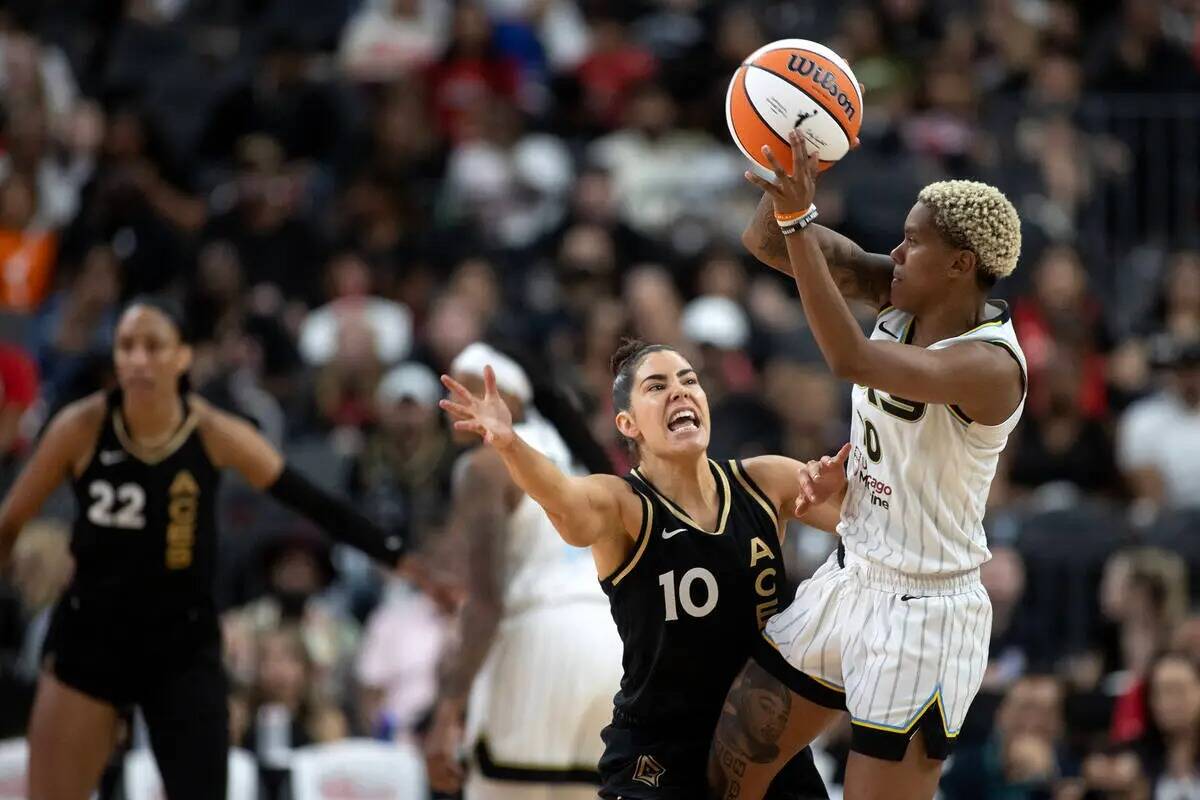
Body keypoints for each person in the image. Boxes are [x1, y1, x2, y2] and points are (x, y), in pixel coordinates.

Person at [710, 131, 1026, 800]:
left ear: (960, 265)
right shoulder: (900, 294)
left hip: (926, 611)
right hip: (850, 575)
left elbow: (850, 360)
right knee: (727, 768)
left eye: (913, 243)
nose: (896, 252)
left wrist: (801, 218)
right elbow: (768, 245)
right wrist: (795, 169)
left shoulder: (990, 367)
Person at [0, 296, 406, 800]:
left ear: (183, 356)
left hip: (179, 642)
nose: (138, 359)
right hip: (93, 634)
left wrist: (396, 554)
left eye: (154, 346)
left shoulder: (211, 430)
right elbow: (10, 521)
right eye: (127, 346)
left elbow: (308, 498)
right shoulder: (80, 426)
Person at [439, 338, 844, 799]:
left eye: (689, 381)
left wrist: (848, 499)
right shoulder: (624, 504)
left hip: (760, 733)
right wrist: (509, 444)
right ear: (627, 424)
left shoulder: (765, 480)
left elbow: (880, 529)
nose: (680, 392)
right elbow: (565, 499)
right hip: (661, 746)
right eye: (657, 386)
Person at [425, 342, 624, 799]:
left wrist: (446, 712)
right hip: (613, 649)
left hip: (540, 641)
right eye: (449, 383)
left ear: (511, 402)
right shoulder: (576, 463)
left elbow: (486, 602)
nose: (456, 398)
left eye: (472, 385)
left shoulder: (485, 465)